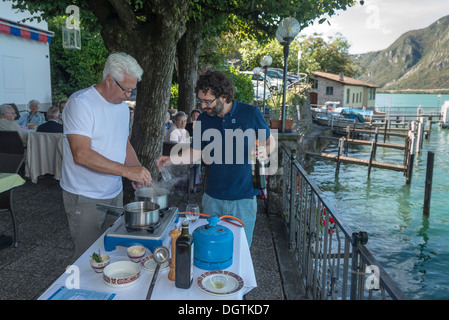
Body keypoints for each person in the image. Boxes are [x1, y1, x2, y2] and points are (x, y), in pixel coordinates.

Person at [158, 70, 276, 246]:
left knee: (239, 250)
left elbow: (270, 140)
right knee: (210, 247)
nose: (203, 106)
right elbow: (195, 152)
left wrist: (265, 151)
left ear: (223, 96)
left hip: (243, 200)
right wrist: (170, 159)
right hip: (213, 199)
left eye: (207, 101)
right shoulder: (204, 120)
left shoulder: (250, 113)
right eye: (201, 101)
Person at [60, 52, 152, 258]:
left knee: (114, 250)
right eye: (126, 89)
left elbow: (124, 143)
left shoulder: (121, 107)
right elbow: (81, 154)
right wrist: (128, 171)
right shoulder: (80, 103)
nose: (129, 95)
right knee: (88, 256)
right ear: (109, 80)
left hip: (114, 193)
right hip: (85, 195)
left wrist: (137, 170)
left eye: (132, 90)